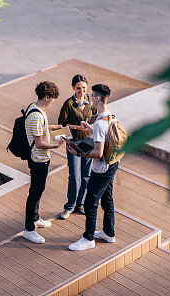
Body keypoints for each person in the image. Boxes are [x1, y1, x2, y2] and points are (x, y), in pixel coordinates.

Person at [68, 84, 119, 251]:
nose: (89, 98)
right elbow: (103, 136)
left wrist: (78, 153)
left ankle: (88, 238)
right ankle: (108, 233)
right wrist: (89, 128)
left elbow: (98, 152)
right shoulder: (109, 115)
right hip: (113, 163)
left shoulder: (99, 123)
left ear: (97, 98)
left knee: (90, 203)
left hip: (102, 168)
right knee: (107, 198)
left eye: (91, 95)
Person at [23, 81, 64, 244]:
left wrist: (54, 127)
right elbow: (39, 143)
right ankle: (29, 229)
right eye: (52, 98)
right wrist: (55, 145)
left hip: (39, 159)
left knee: (39, 190)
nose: (52, 102)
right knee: (35, 192)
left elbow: (39, 129)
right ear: (47, 97)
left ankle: (35, 218)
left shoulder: (35, 107)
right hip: (39, 159)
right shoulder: (37, 115)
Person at [58, 74, 97, 219]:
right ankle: (69, 206)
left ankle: (81, 204)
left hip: (88, 141)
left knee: (86, 174)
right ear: (73, 88)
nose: (82, 91)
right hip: (74, 142)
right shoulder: (68, 104)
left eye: (84, 88)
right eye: (79, 88)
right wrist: (76, 127)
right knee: (74, 176)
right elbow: (62, 125)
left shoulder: (90, 101)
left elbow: (93, 115)